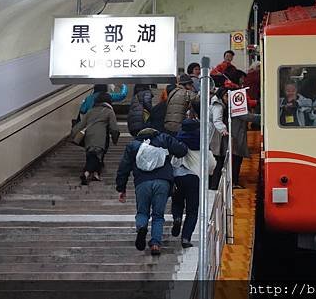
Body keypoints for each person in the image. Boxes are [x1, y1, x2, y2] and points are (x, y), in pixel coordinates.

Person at [115, 128, 188, 256]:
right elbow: (181, 151)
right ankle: (155, 244)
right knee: (158, 215)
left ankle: (142, 227)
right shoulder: (164, 138)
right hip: (162, 182)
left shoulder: (133, 145)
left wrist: (121, 188)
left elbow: (124, 167)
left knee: (142, 212)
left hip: (142, 183)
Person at [170, 115, 215, 248]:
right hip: (194, 178)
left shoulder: (177, 141)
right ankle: (185, 238)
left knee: (177, 202)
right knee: (192, 210)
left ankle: (177, 217)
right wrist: (209, 173)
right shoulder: (201, 142)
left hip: (178, 176)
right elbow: (211, 163)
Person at [209, 88, 258, 189]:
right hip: (223, 137)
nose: (228, 98)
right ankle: (222, 185)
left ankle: (216, 185)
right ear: (222, 96)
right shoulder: (219, 106)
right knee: (224, 162)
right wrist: (223, 129)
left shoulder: (223, 104)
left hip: (222, 138)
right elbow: (217, 120)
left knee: (221, 162)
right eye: (227, 96)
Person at [71, 92, 120, 185]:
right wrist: (115, 138)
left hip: (88, 137)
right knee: (96, 156)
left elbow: (80, 125)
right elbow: (114, 128)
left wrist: (73, 134)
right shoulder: (109, 111)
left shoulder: (91, 111)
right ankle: (86, 173)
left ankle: (96, 175)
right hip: (100, 138)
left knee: (91, 155)